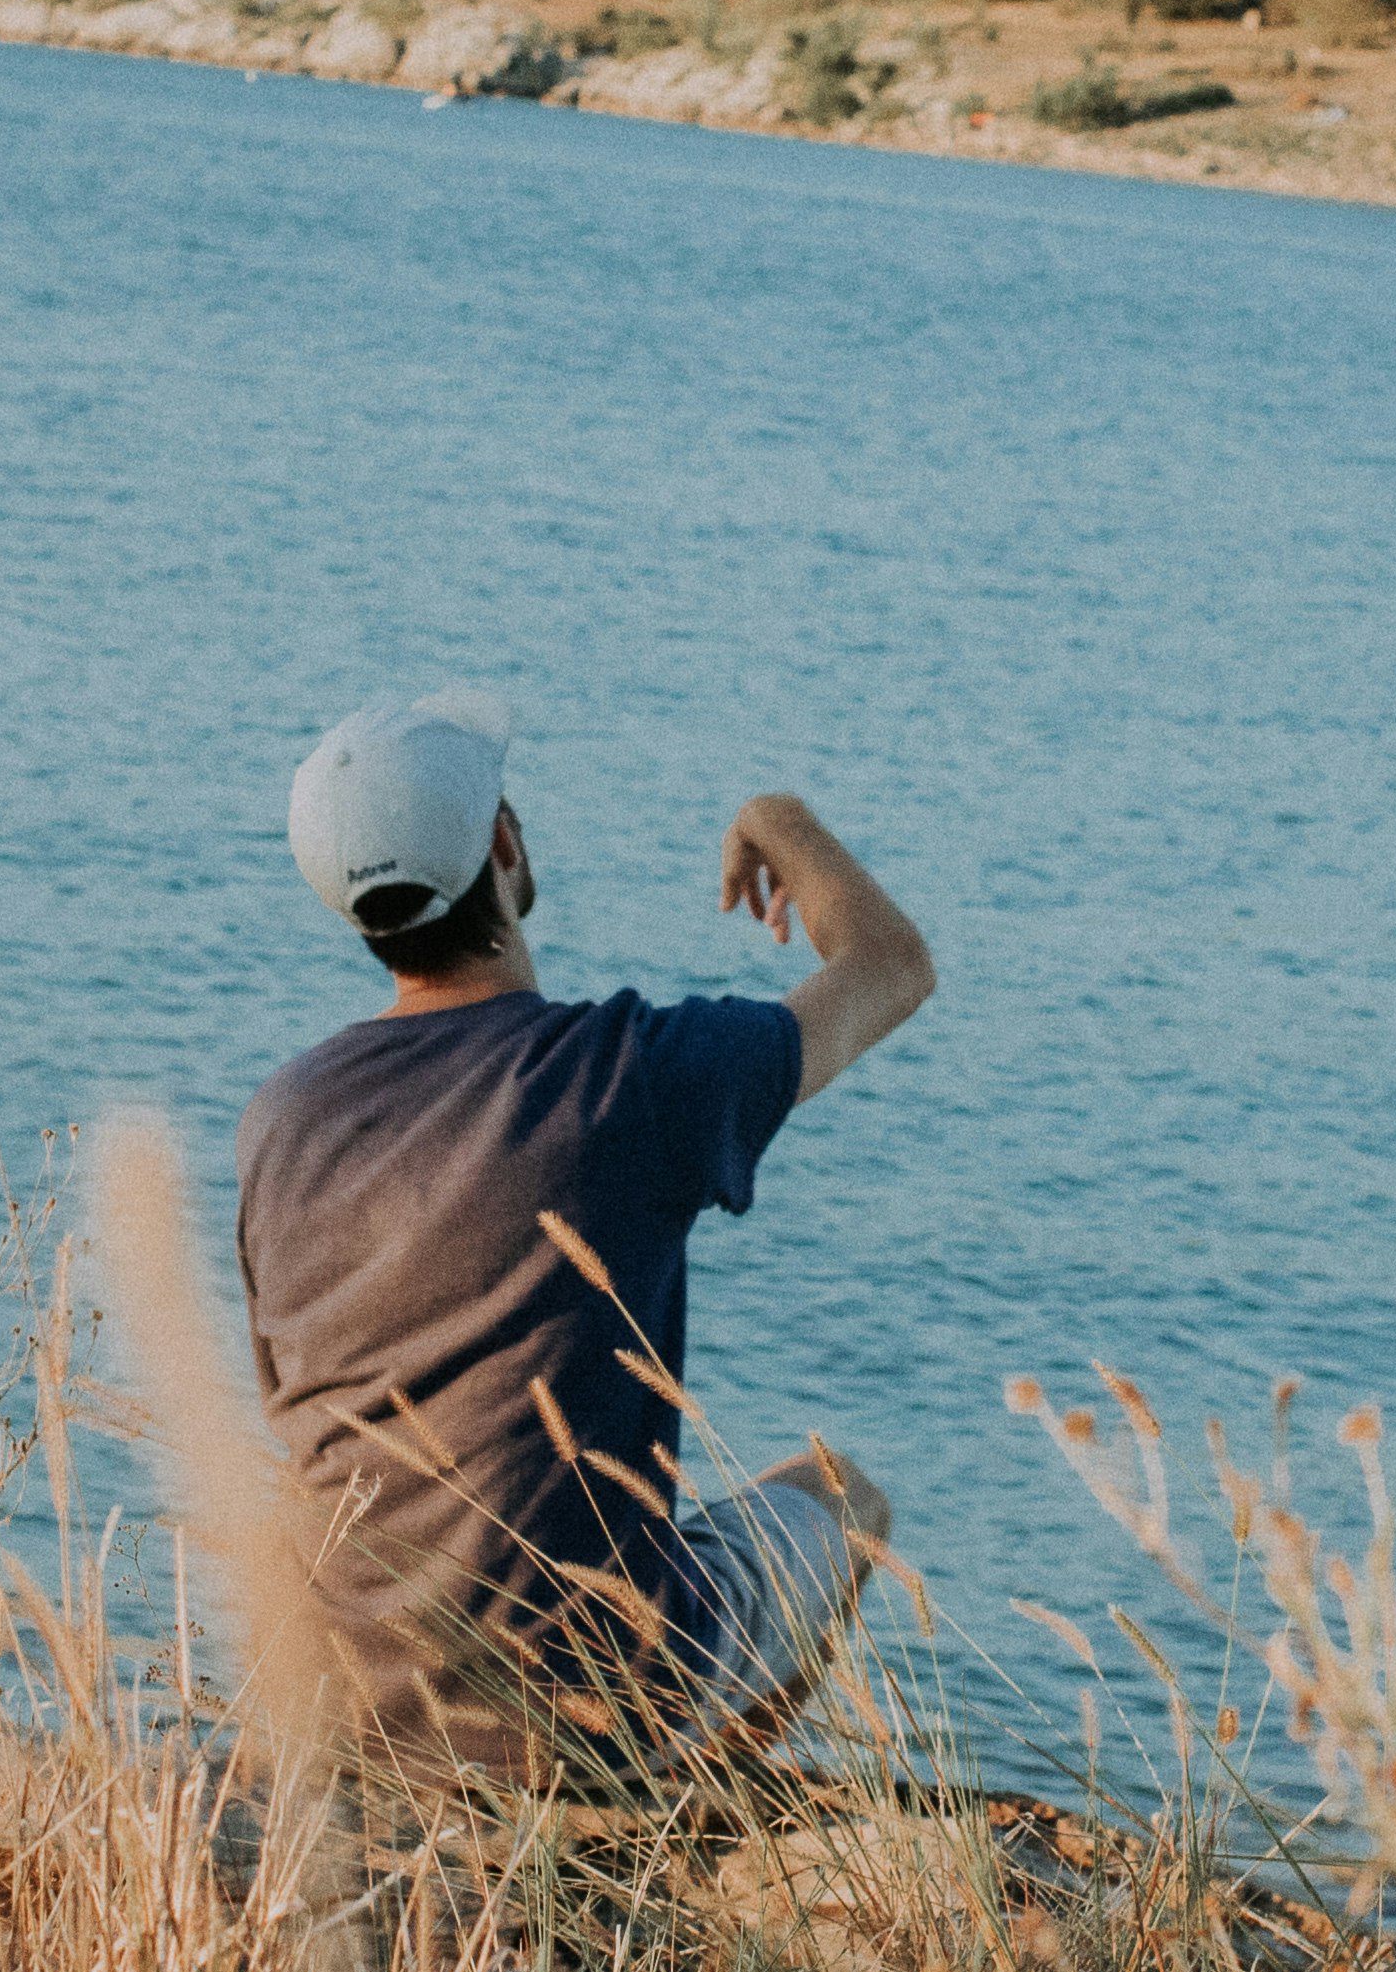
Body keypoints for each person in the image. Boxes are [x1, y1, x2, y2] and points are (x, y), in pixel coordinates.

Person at [236, 690, 935, 1784]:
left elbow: (297, 1406)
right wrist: (778, 816)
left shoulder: (281, 1118)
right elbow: (891, 965)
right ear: (505, 846)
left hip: (354, 1692)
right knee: (842, 1494)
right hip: (595, 1699)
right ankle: (666, 1814)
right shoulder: (630, 1075)